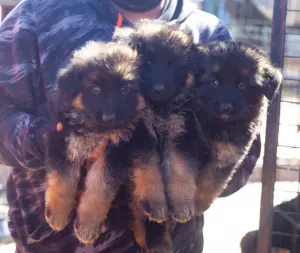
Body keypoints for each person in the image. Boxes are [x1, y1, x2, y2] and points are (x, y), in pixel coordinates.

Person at [0, 0, 261, 252]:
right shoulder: (40, 12)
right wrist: (47, 141)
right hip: (53, 244)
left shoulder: (206, 32)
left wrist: (187, 154)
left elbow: (242, 150)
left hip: (174, 243)